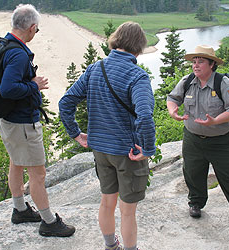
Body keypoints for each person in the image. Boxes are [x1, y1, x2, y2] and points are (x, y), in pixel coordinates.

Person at [59, 21, 156, 250]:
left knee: (106, 202)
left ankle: (111, 246)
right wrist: (148, 149)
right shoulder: (137, 76)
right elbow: (144, 117)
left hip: (100, 150)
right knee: (128, 211)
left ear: (116, 40)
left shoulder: (95, 68)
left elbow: (66, 102)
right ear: (139, 45)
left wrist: (76, 134)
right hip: (128, 152)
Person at [0, 4, 75, 237]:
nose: (35, 33)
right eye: (37, 30)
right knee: (38, 174)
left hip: (8, 120)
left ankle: (20, 209)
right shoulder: (18, 53)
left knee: (16, 162)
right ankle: (49, 222)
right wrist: (34, 85)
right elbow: (7, 89)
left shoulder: (3, 44)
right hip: (22, 123)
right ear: (31, 27)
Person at [166, 45, 229, 225]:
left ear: (212, 64)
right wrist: (172, 112)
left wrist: (215, 121)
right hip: (192, 139)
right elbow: (172, 99)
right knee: (192, 172)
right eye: (194, 62)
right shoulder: (187, 81)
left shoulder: (222, 83)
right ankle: (196, 204)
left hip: (221, 141)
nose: (196, 66)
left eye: (201, 62)